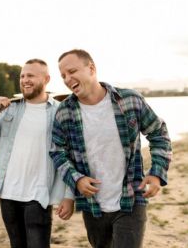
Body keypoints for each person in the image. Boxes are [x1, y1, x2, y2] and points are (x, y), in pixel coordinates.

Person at [50, 49, 172, 248]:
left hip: (130, 200)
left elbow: (159, 134)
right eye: (63, 75)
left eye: (72, 71)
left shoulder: (130, 100)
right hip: (92, 205)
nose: (67, 78)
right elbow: (57, 152)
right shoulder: (64, 112)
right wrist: (76, 179)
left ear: (91, 68)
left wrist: (157, 173)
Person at [0, 59, 75, 248]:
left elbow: (69, 155)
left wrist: (69, 195)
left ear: (46, 79)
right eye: (22, 76)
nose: (25, 80)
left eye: (30, 75)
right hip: (8, 194)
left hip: (38, 194)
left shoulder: (59, 111)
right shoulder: (11, 108)